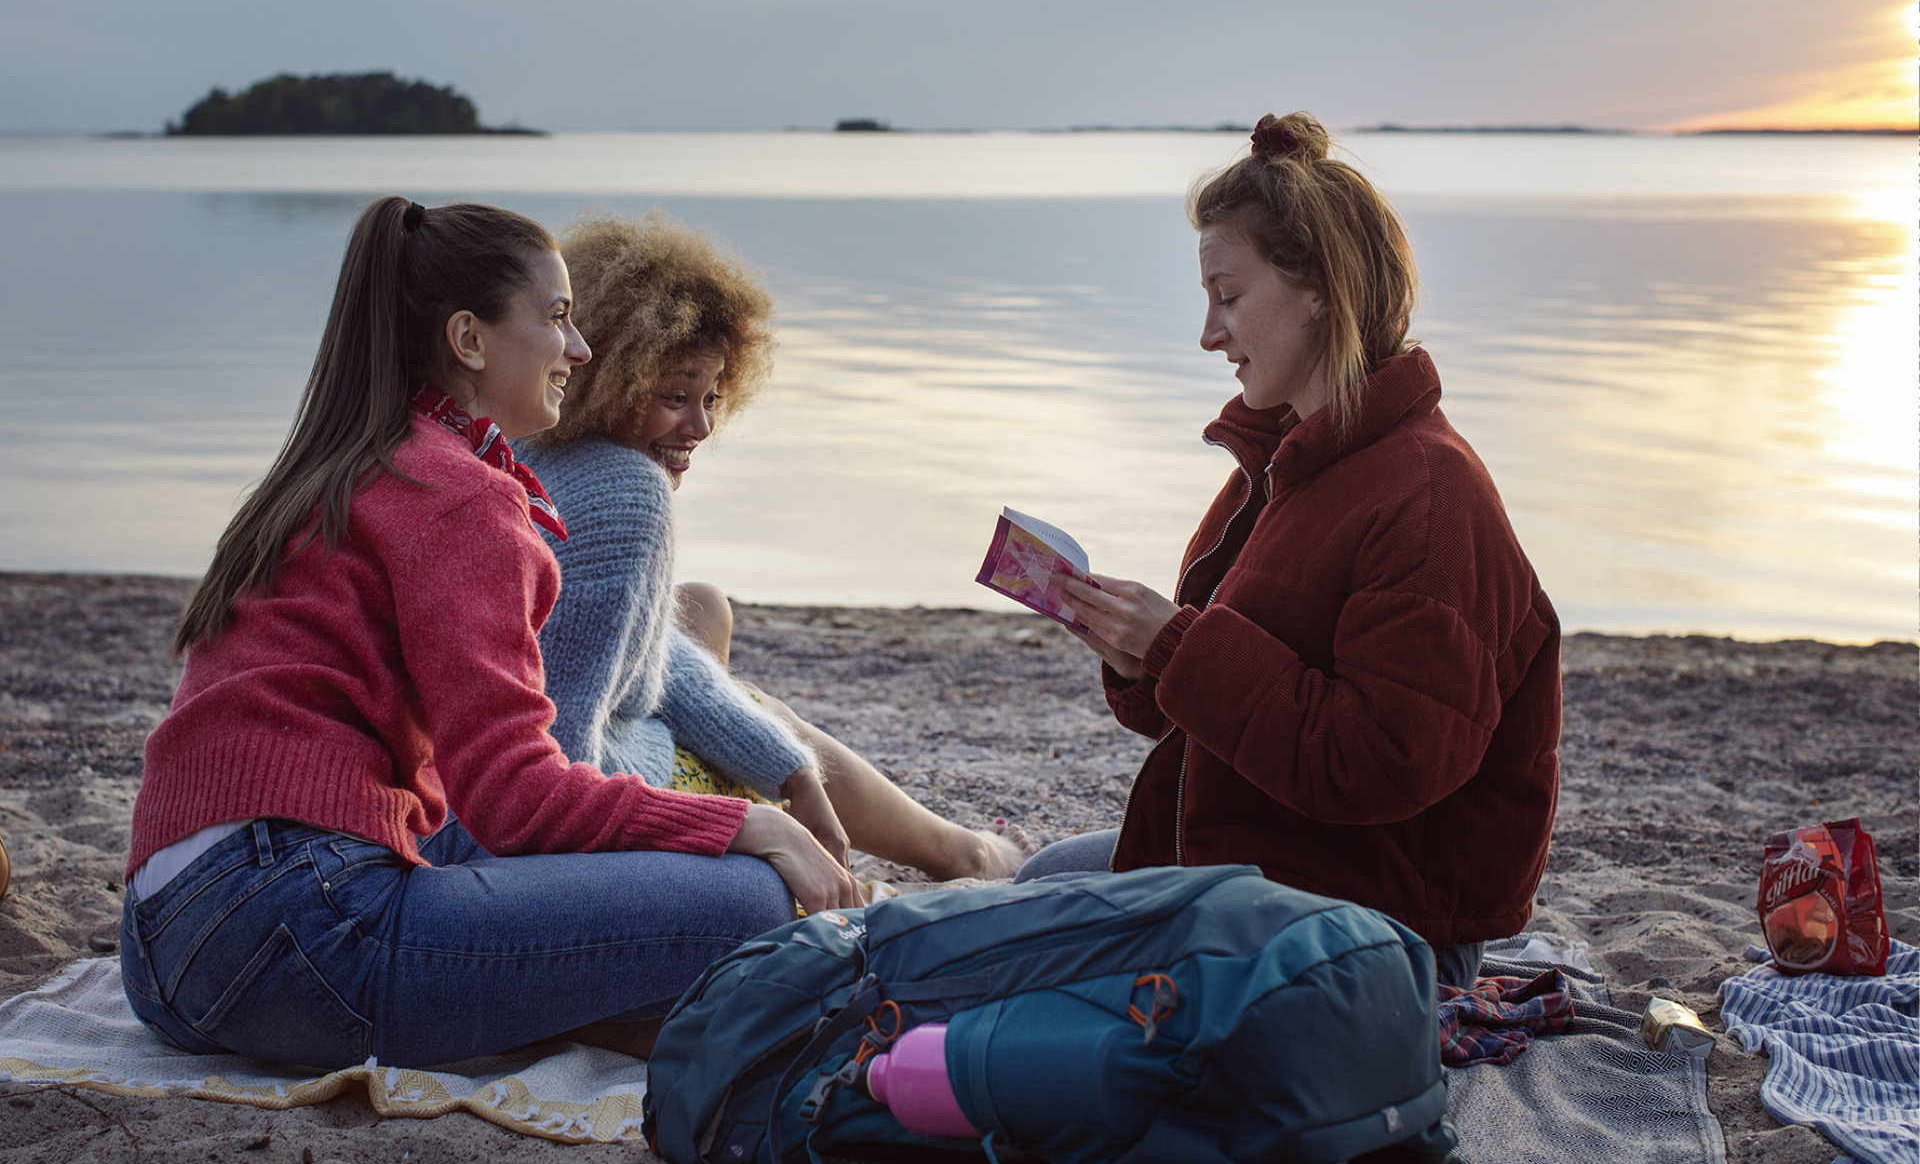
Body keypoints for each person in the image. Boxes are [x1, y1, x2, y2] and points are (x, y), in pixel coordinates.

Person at [120, 196, 860, 1073]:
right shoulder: (460, 495)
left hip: (161, 947)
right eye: (556, 319)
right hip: (296, 937)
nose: (578, 350)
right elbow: (517, 799)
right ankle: (613, 1016)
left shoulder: (338, 463)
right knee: (753, 899)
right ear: (469, 340)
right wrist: (747, 827)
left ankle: (589, 1012)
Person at [1020, 113, 1562, 990]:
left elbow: (1385, 763)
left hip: (1386, 924)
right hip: (1267, 859)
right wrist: (1141, 658)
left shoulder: (1427, 494)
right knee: (1041, 880)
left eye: (1228, 297)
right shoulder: (1285, 457)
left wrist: (1180, 646)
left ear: (1317, 288)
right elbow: (1216, 706)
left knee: (1018, 936)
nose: (1209, 333)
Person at [516, 211, 1027, 883]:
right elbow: (562, 753)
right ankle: (967, 855)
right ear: (611, 376)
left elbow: (635, 650)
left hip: (544, 768)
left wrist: (787, 767)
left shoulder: (527, 444)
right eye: (675, 396)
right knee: (762, 714)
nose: (700, 425)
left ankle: (961, 850)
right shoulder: (626, 490)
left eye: (712, 397)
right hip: (595, 798)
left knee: (705, 617)